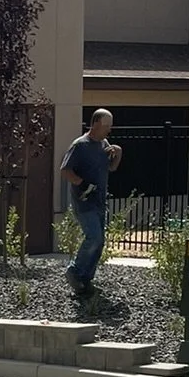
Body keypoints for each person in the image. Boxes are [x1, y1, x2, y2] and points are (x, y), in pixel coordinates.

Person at [60, 109, 122, 299]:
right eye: (106, 127)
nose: (108, 132)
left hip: (100, 201)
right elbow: (65, 171)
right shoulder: (80, 146)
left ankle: (85, 280)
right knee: (93, 237)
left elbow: (112, 167)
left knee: (100, 241)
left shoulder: (104, 144)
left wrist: (118, 152)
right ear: (95, 124)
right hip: (84, 201)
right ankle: (74, 271)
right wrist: (82, 183)